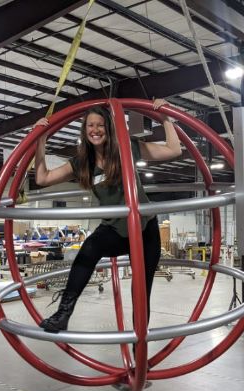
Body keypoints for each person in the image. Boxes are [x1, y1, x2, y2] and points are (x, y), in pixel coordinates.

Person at [33, 99, 181, 332]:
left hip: (145, 230)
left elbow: (174, 149)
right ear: (85, 130)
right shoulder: (82, 162)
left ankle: (138, 347)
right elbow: (42, 179)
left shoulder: (127, 147)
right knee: (87, 251)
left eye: (100, 125)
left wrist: (164, 117)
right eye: (90, 126)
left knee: (141, 290)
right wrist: (40, 139)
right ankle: (63, 313)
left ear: (109, 127)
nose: (95, 130)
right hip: (114, 230)